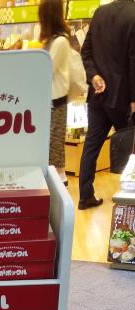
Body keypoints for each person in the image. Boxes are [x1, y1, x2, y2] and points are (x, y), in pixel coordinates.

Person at [78, 0, 135, 210]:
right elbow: (133, 61)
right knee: (130, 148)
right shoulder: (133, 15)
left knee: (91, 146)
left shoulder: (100, 12)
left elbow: (86, 51)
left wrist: (93, 76)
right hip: (123, 97)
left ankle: (85, 196)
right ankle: (129, 197)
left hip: (98, 94)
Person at [39, 0, 71, 187]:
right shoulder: (53, 40)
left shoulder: (60, 41)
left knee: (55, 152)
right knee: (52, 150)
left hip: (56, 102)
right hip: (49, 102)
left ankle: (61, 191)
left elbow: (46, 68)